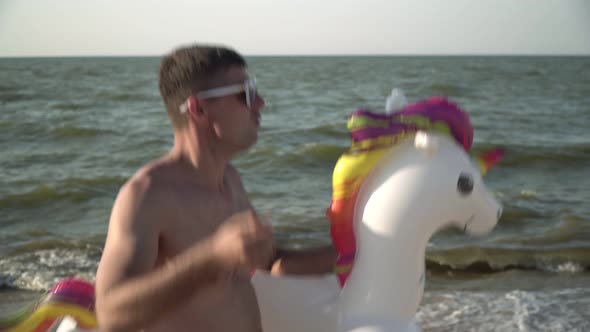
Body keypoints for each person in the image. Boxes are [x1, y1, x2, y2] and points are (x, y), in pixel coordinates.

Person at [95, 44, 336, 332]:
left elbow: (270, 261)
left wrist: (353, 253)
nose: (260, 103)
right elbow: (110, 313)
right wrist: (211, 258)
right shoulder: (147, 194)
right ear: (198, 109)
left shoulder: (231, 180)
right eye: (245, 94)